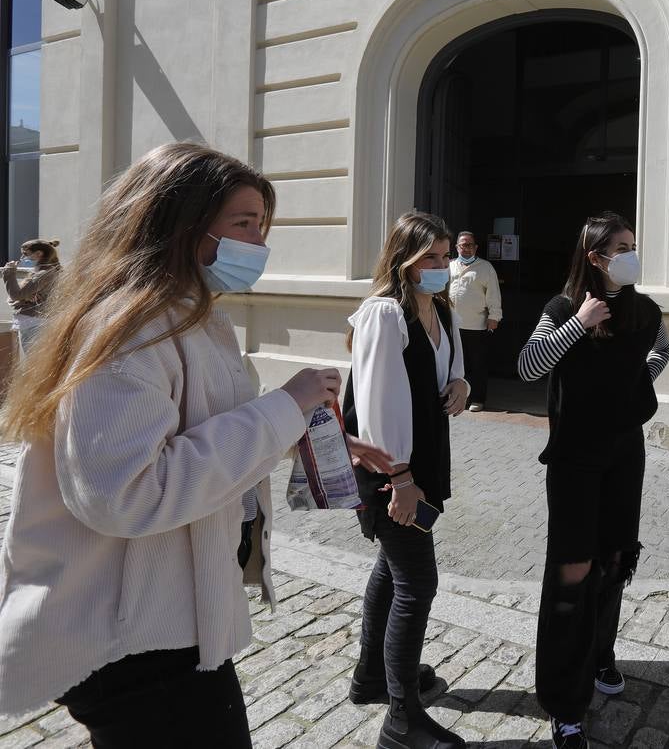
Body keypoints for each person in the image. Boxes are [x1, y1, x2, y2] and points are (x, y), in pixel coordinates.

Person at [0, 142, 393, 747]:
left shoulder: (190, 313)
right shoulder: (130, 328)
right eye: (243, 223)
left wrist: (304, 435)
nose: (258, 243)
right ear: (180, 222)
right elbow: (126, 493)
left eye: (263, 225)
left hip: (161, 622)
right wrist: (283, 407)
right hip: (129, 640)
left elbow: (195, 426)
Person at [516, 212, 669, 749]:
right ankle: (564, 700)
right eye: (620, 247)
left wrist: (632, 385)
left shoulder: (645, 309)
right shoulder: (563, 308)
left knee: (614, 558)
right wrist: (578, 324)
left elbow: (662, 352)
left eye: (633, 244)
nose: (630, 253)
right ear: (595, 257)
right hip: (575, 456)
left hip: (626, 451)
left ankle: (600, 653)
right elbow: (529, 366)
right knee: (573, 569)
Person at [344, 211, 471, 749]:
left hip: (421, 465)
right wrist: (399, 477)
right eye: (430, 258)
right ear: (404, 260)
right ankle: (402, 718)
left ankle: (372, 676)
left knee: (391, 572)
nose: (441, 266)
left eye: (446, 256)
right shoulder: (384, 314)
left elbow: (451, 365)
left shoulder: (438, 307)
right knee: (417, 583)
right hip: (392, 470)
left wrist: (461, 382)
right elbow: (375, 403)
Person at [447, 231, 501, 412]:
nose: (466, 248)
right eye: (463, 245)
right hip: (452, 324)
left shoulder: (485, 268)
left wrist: (494, 316)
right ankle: (456, 397)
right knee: (455, 364)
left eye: (470, 245)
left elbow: (493, 295)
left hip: (476, 325)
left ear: (476, 247)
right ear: (456, 247)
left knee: (477, 364)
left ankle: (477, 398)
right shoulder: (449, 266)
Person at [4, 237, 62, 352]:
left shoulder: (43, 273)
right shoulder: (44, 271)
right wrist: (23, 297)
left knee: (32, 362)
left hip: (34, 322)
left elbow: (16, 295)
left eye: (26, 254)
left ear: (39, 254)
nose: (22, 258)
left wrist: (8, 272)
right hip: (35, 321)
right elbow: (17, 297)